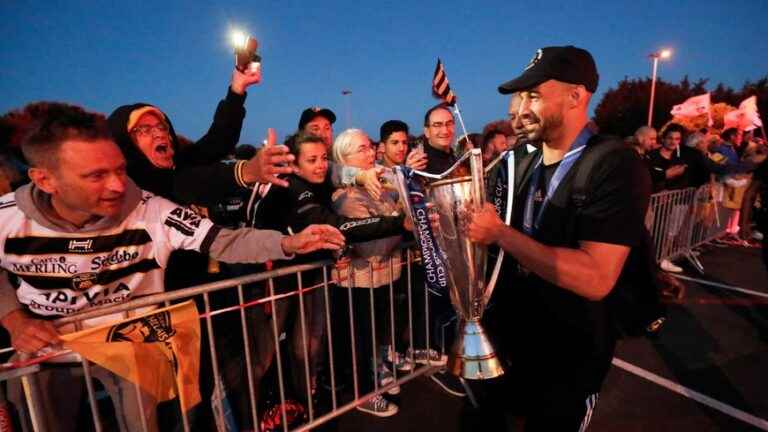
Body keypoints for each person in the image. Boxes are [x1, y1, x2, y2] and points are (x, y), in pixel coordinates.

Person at [0, 104, 344, 432]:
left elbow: (224, 241)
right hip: (47, 356)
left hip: (132, 348)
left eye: (120, 169)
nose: (118, 185)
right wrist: (12, 317)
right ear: (45, 180)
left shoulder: (152, 209)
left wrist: (288, 243)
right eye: (96, 175)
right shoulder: (7, 217)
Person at [469, 45, 652, 431]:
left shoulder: (614, 164)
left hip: (571, 355)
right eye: (520, 96)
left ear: (576, 96)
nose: (520, 108)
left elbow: (596, 278)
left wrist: (500, 233)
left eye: (533, 95)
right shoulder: (524, 161)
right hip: (516, 342)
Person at [246, 132, 416, 421]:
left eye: (323, 158)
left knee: (307, 348)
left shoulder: (326, 179)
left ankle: (305, 409)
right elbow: (337, 226)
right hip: (271, 280)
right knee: (264, 354)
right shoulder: (292, 188)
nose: (321, 166)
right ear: (295, 166)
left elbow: (339, 172)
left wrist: (364, 180)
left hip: (310, 275)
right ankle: (249, 415)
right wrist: (399, 222)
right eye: (311, 160)